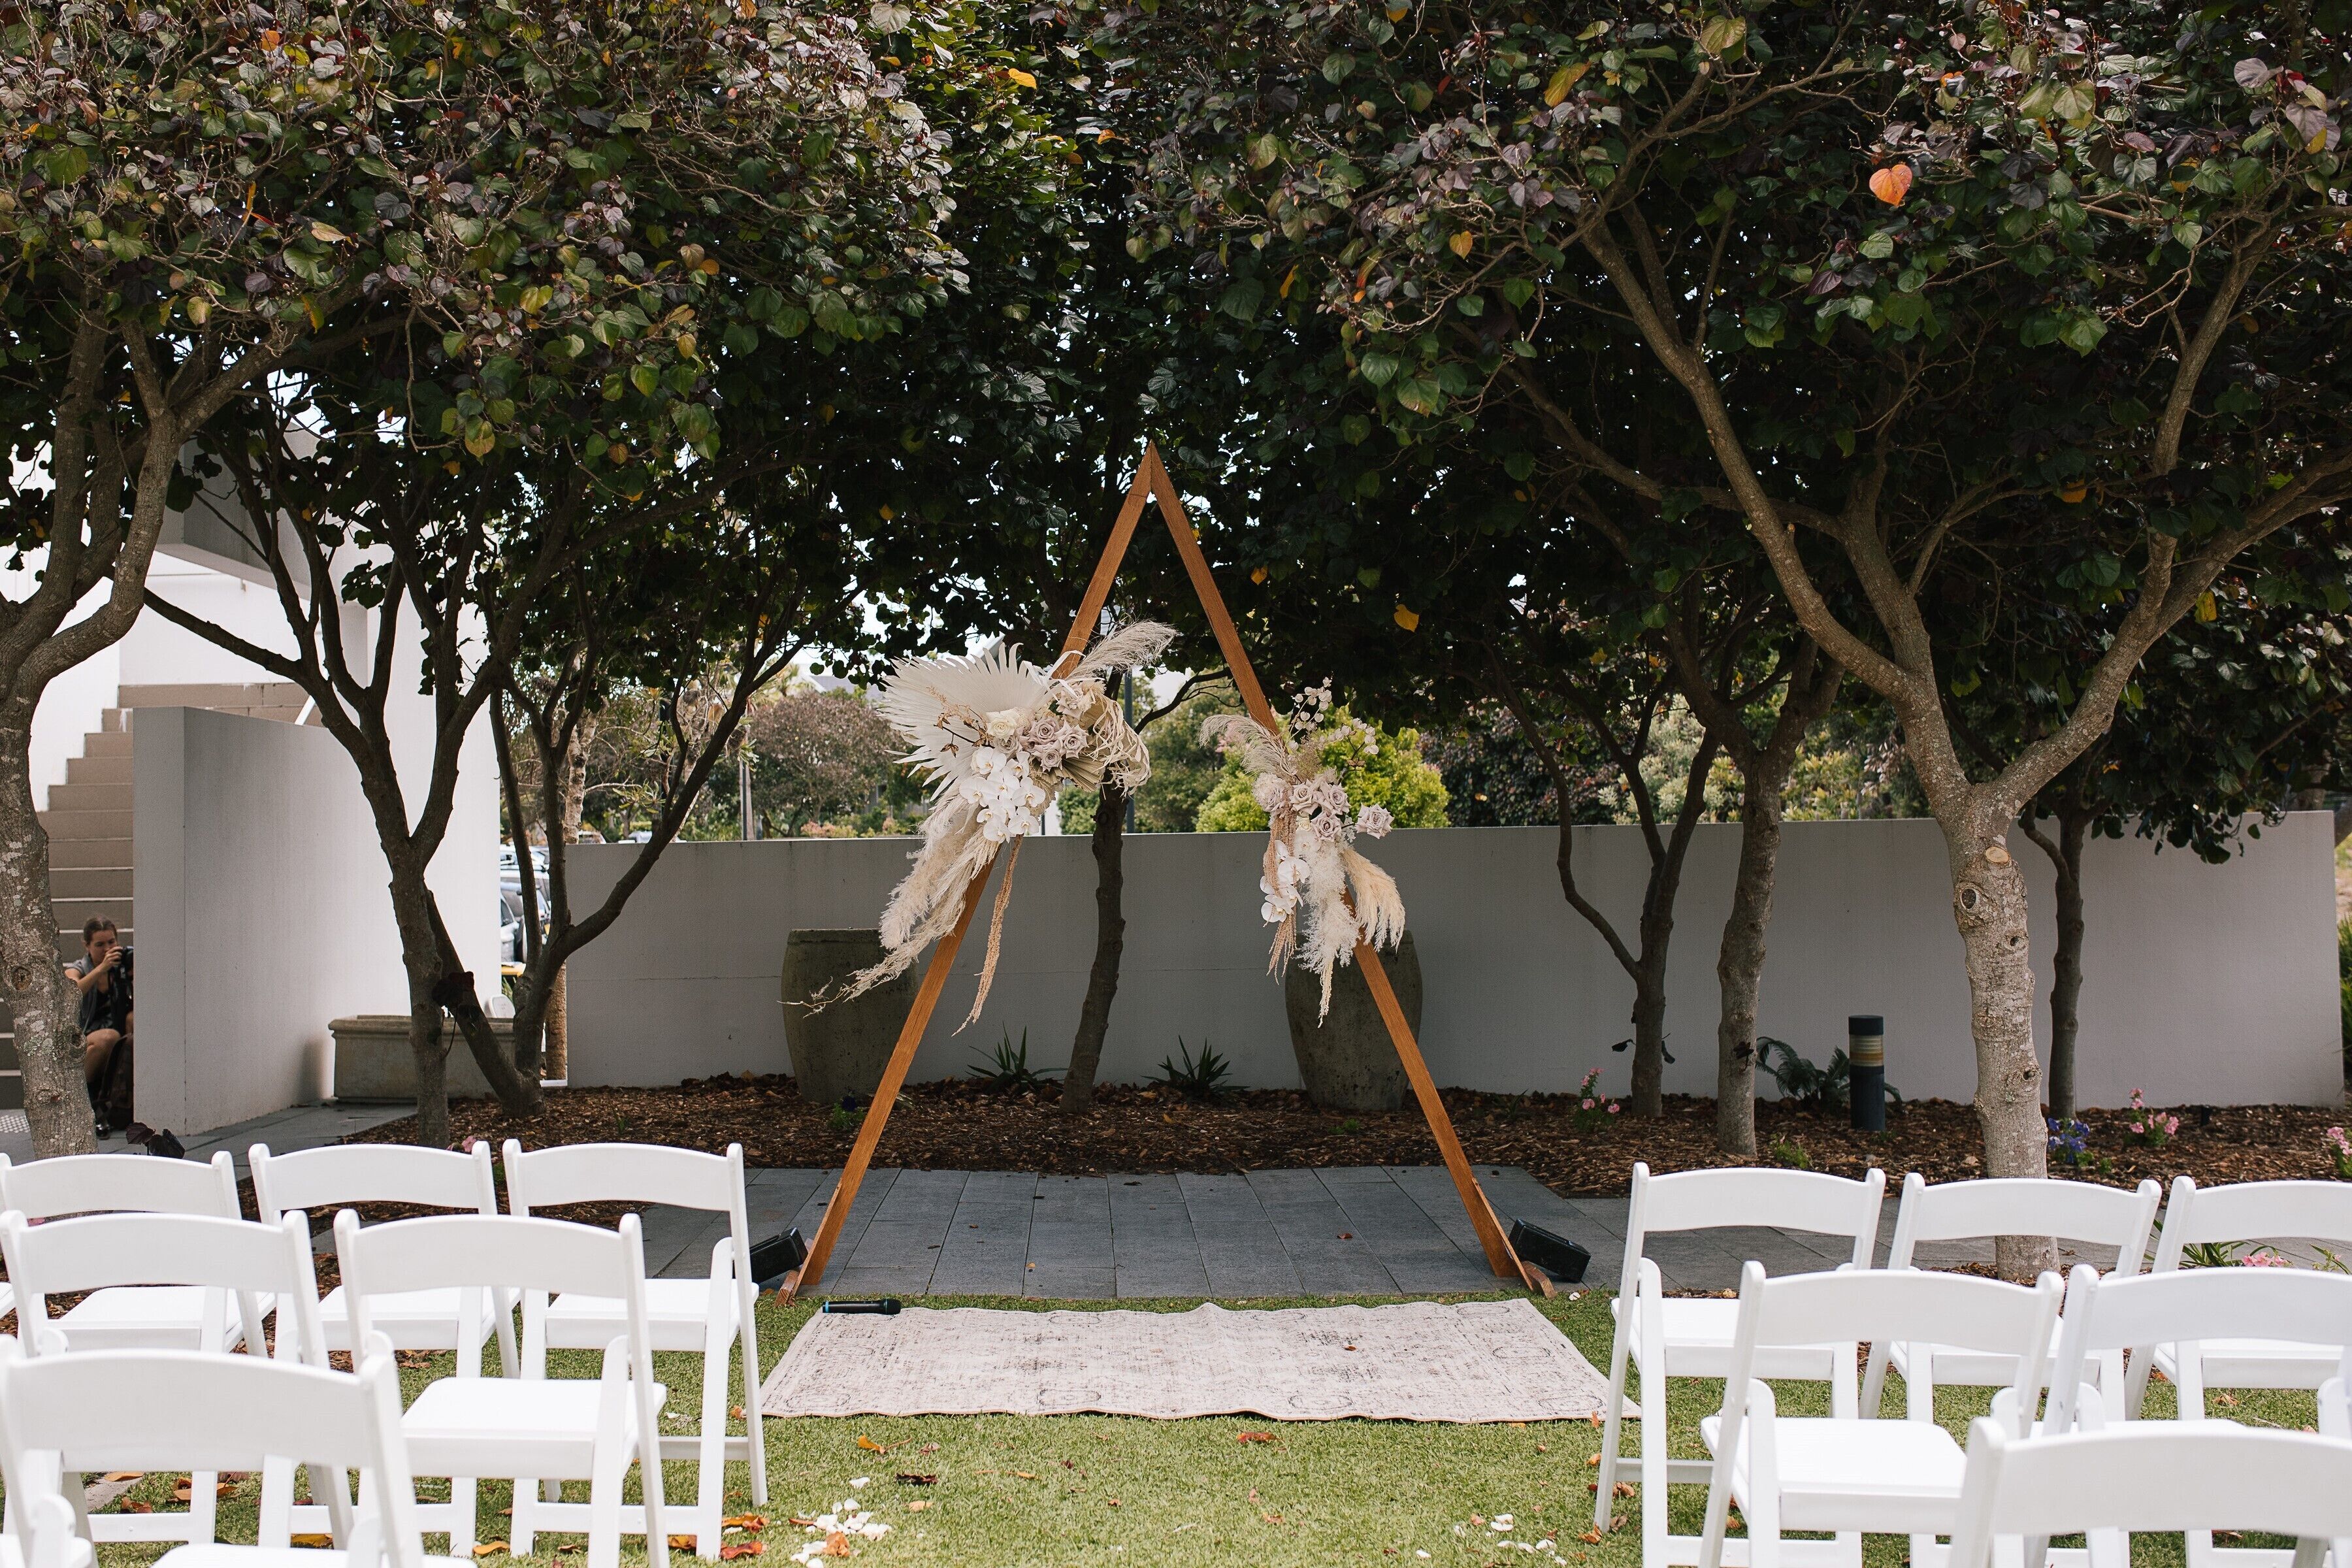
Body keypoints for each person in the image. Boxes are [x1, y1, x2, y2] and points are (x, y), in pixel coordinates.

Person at [65, 917, 133, 1134]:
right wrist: (101, 969)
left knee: (134, 1021)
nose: (108, 949)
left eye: (112, 942)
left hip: (120, 1035)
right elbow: (72, 992)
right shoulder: (78, 968)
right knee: (108, 1037)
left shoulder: (124, 966)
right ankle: (78, 1097)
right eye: (100, 945)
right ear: (87, 946)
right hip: (85, 1037)